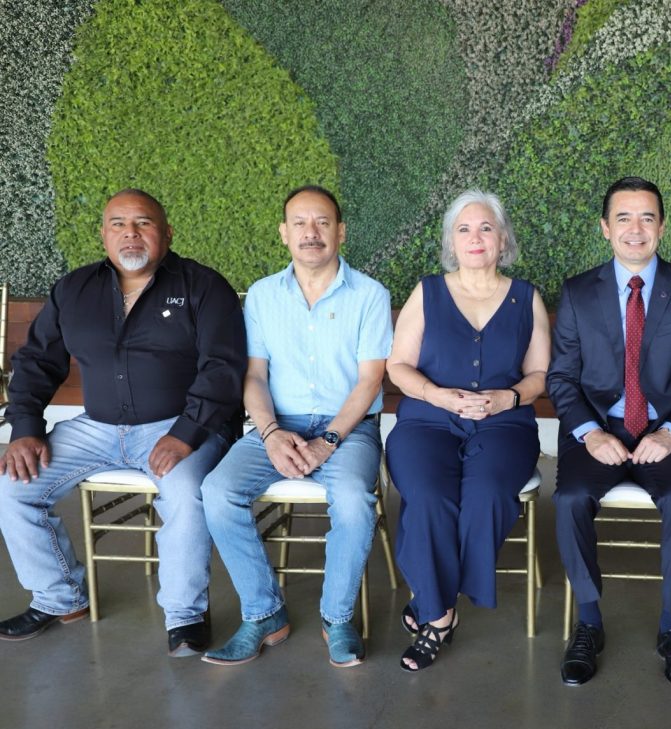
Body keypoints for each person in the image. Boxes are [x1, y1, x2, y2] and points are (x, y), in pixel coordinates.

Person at [0, 189, 245, 656]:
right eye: (118, 224)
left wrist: (186, 433)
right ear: (104, 234)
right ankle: (59, 598)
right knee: (13, 486)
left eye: (143, 223)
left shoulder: (203, 286)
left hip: (179, 425)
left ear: (167, 233)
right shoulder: (73, 290)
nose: (130, 233)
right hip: (96, 428)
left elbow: (224, 367)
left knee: (185, 493)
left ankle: (185, 615)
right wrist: (26, 428)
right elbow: (35, 362)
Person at [200, 185, 393, 669]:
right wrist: (269, 433)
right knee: (217, 491)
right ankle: (264, 613)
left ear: (341, 232)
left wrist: (328, 441)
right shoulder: (263, 295)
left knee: (353, 500)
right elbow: (254, 376)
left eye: (323, 222)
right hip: (278, 424)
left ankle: (337, 618)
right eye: (300, 223)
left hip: (349, 429)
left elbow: (371, 380)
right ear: (284, 233)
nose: (311, 232)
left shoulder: (370, 295)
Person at [548, 176, 671, 692]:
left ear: (662, 227)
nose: (635, 229)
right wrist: (589, 433)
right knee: (570, 498)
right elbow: (561, 379)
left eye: (646, 218)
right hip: (599, 429)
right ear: (605, 228)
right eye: (623, 218)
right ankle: (588, 622)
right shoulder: (578, 293)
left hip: (664, 431)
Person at [385, 190, 548, 672]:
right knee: (428, 496)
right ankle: (440, 615)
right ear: (451, 243)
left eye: (485, 228)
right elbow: (398, 366)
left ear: (503, 240)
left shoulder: (526, 298)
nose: (475, 238)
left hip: (504, 424)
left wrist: (507, 398)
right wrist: (438, 396)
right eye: (464, 229)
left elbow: (539, 375)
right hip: (427, 420)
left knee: (487, 496)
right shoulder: (427, 292)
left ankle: (431, 598)